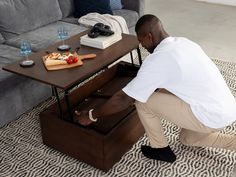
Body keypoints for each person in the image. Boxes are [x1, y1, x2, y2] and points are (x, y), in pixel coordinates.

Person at [74, 14, 236, 163]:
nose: (141, 45)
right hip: (227, 110)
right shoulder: (184, 42)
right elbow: (170, 81)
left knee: (143, 102)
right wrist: (141, 90)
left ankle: (161, 150)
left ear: (149, 36)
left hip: (209, 116)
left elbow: (123, 99)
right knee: (187, 138)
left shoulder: (157, 60)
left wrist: (91, 115)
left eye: (141, 40)